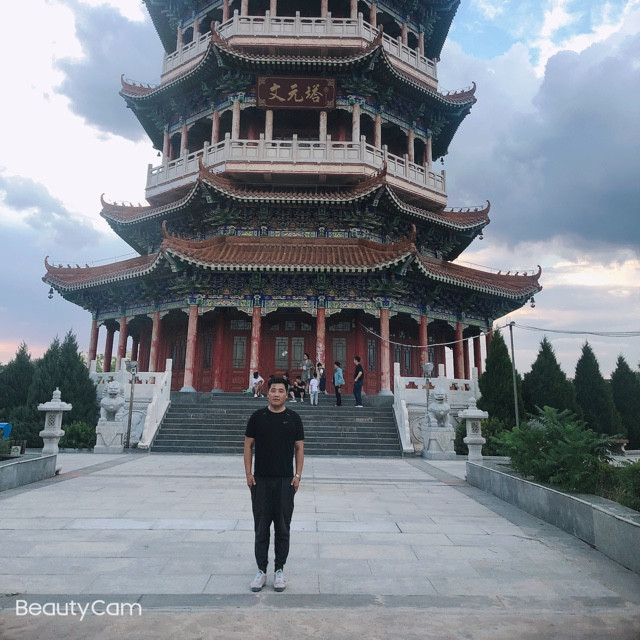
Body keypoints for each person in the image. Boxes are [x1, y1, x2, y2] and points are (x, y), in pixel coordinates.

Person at [244, 377, 304, 593]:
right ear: (266, 393)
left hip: (285, 481)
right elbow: (248, 446)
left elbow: (299, 448)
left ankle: (279, 570)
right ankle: (261, 570)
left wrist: (297, 475)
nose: (276, 394)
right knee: (261, 528)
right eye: (273, 390)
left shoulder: (293, 418)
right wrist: (248, 473)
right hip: (261, 481)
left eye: (280, 391)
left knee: (282, 528)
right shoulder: (257, 417)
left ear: (286, 394)